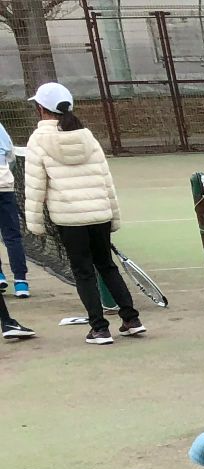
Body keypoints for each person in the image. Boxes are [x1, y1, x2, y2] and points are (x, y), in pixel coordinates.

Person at [21, 81, 142, 345]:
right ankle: (132, 319)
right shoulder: (87, 135)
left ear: (41, 109)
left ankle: (99, 329)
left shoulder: (38, 139)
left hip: (69, 219)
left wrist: (35, 225)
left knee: (84, 272)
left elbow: (34, 187)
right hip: (100, 214)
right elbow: (106, 179)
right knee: (107, 266)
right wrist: (113, 216)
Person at [0, 115, 29, 298]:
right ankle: (21, 282)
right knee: (12, 236)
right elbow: (10, 156)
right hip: (4, 186)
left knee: (12, 236)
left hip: (4, 186)